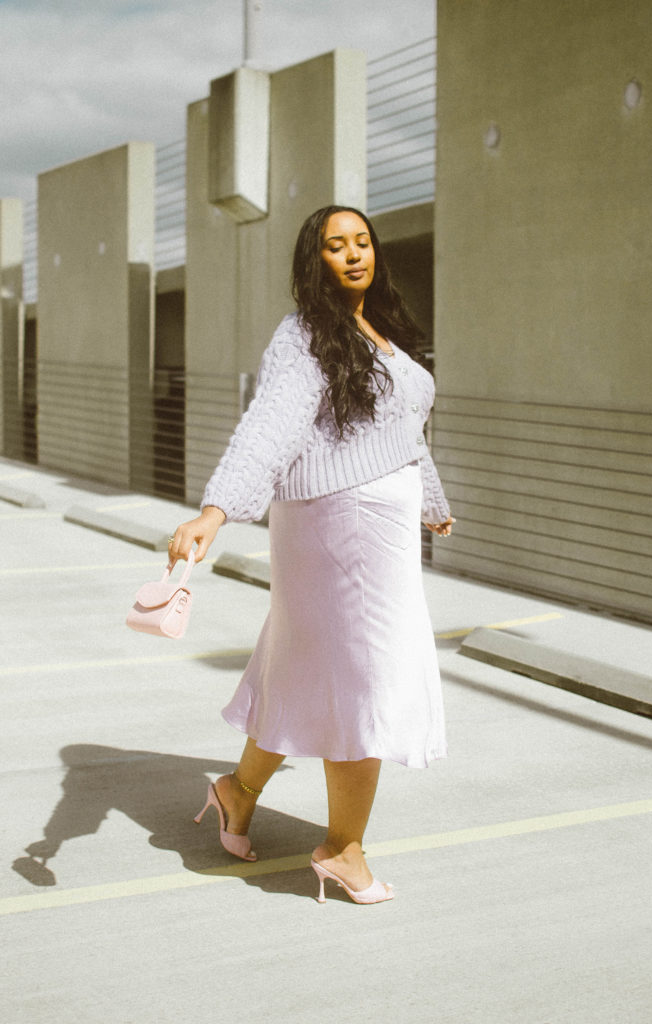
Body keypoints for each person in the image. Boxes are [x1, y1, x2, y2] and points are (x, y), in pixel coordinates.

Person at [170, 205, 453, 905]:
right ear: (313, 259)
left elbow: (404, 429)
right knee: (364, 677)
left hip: (375, 529)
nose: (353, 254)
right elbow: (269, 426)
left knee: (304, 667)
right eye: (336, 245)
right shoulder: (302, 335)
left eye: (362, 242)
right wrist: (217, 509)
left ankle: (237, 791)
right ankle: (342, 850)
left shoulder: (381, 328)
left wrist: (431, 500)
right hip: (337, 526)